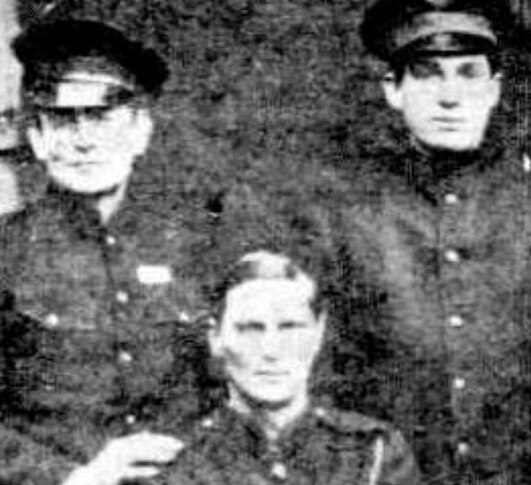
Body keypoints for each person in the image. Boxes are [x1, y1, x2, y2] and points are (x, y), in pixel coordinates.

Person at [308, 0, 531, 482]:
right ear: (394, 90)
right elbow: (315, 365)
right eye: (428, 74)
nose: (450, 96)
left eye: (469, 73)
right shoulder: (345, 214)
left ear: (494, 89)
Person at [0, 19, 217, 484]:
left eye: (101, 117)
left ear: (140, 131)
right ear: (37, 137)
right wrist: (75, 477)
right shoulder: (5, 252)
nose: (83, 139)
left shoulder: (199, 244)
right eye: (62, 119)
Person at [158, 249, 420, 485]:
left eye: (290, 327)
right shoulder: (170, 459)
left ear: (318, 333)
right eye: (250, 329)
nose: (271, 350)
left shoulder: (373, 452)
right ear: (215, 337)